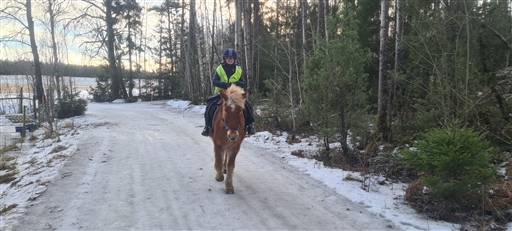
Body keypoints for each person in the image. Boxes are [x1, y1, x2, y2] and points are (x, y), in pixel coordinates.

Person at [201, 48, 255, 137]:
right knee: (210, 106)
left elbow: (243, 83)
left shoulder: (238, 69)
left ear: (234, 59)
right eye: (228, 58)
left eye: (231, 58)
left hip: (236, 95)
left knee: (247, 106)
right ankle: (207, 127)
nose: (230, 60)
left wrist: (237, 83)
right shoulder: (220, 69)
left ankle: (249, 126)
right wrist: (224, 85)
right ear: (225, 59)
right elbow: (215, 81)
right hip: (222, 94)